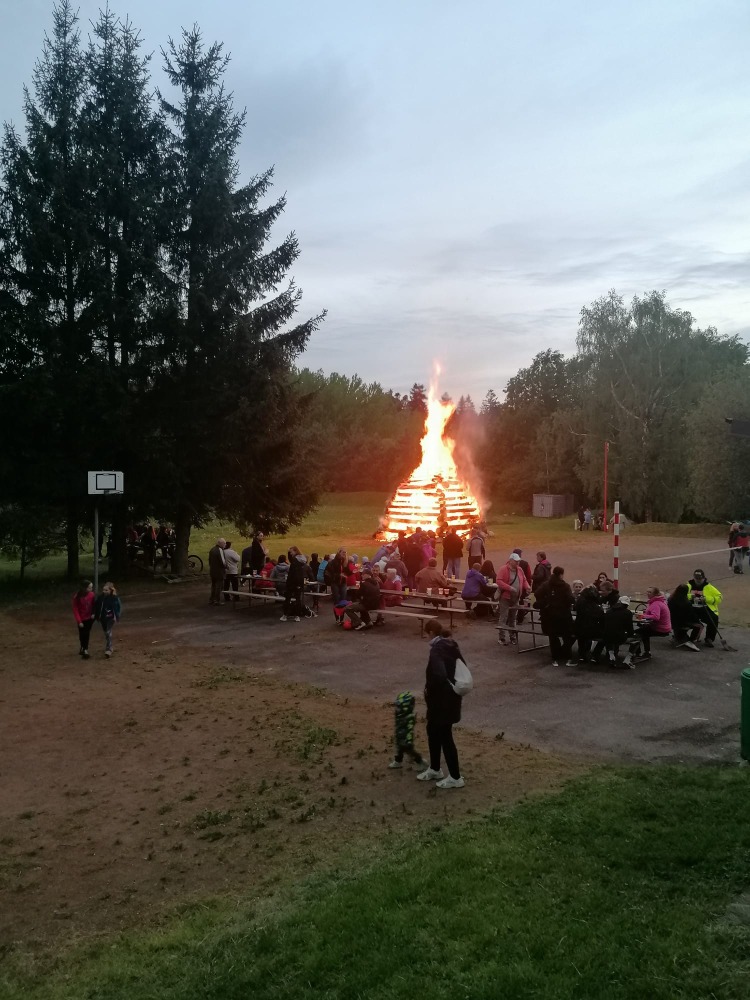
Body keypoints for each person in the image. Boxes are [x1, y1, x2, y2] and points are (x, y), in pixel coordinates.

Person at [417, 619, 465, 789]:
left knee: (444, 735)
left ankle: (455, 777)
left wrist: (429, 690)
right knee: (433, 730)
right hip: (452, 698)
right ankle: (435, 768)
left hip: (441, 701)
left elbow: (439, 674)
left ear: (430, 633)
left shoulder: (437, 649)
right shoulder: (451, 645)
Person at [534, 566, 576, 666]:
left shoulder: (546, 584)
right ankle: (568, 658)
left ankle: (555, 659)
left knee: (553, 637)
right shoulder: (565, 586)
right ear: (561, 574)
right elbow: (571, 599)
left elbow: (537, 593)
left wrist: (546, 600)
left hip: (550, 615)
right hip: (564, 615)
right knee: (567, 636)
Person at [496, 553, 531, 645]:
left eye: (518, 561)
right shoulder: (503, 569)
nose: (518, 563)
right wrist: (509, 588)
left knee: (513, 618)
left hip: (516, 598)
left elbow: (524, 580)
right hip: (505, 597)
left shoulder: (520, 569)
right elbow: (498, 581)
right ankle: (502, 638)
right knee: (503, 617)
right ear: (511, 561)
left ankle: (513, 637)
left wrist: (527, 587)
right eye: (516, 561)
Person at [592, 595, 635, 666]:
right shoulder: (628, 613)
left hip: (606, 636)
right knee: (637, 639)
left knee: (609, 636)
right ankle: (627, 659)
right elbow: (630, 629)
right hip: (620, 637)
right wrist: (630, 634)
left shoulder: (609, 611)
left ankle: (610, 656)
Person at [631, 586, 672, 661]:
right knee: (643, 630)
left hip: (660, 628)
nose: (647, 593)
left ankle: (637, 653)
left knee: (637, 633)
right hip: (665, 626)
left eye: (650, 592)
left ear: (655, 594)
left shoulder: (656, 603)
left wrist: (642, 616)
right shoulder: (660, 601)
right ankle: (645, 652)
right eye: (647, 591)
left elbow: (656, 617)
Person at [388, 692, 426, 769]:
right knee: (399, 749)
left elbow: (410, 729)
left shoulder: (409, 717)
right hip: (399, 736)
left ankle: (420, 761)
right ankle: (398, 761)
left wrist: (408, 741)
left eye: (399, 706)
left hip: (406, 739)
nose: (397, 708)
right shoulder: (399, 714)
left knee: (410, 752)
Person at [687, 570, 722, 647]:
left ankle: (709, 638)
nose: (698, 580)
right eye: (696, 578)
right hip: (691, 609)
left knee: (713, 618)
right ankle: (681, 636)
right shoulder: (688, 586)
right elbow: (680, 595)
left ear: (703, 578)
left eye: (700, 578)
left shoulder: (709, 587)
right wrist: (690, 597)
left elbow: (719, 597)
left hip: (705, 609)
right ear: (694, 578)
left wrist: (706, 599)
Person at [573, 585, 604, 663]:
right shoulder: (597, 608)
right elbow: (601, 620)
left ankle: (582, 654)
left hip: (578, 629)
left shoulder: (579, 603)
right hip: (591, 631)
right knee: (605, 635)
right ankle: (595, 655)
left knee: (581, 634)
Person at [668, 584, 703, 651]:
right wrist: (697, 620)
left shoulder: (671, 599)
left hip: (672, 620)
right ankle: (692, 640)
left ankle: (679, 636)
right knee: (700, 626)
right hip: (682, 622)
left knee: (682, 626)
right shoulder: (686, 603)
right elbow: (691, 615)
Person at [280, 547, 311, 622]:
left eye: (291, 552)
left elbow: (294, 573)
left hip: (292, 582)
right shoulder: (301, 561)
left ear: (295, 551)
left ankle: (285, 615)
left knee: (288, 599)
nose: (290, 554)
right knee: (298, 599)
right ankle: (297, 615)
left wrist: (290, 582)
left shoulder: (295, 561)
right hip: (299, 582)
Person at [94, 581, 121, 658]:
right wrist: (95, 615)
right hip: (103, 618)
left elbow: (118, 607)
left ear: (111, 590)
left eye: (106, 590)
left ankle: (108, 649)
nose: (104, 591)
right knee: (106, 633)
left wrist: (117, 616)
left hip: (111, 618)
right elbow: (96, 606)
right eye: (103, 590)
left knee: (108, 632)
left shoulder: (114, 598)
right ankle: (110, 646)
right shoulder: (100, 598)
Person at [72, 579, 96, 659]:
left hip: (89, 618)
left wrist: (93, 613)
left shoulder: (92, 595)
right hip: (82, 619)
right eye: (89, 587)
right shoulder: (77, 597)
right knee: (82, 634)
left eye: (91, 587)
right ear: (84, 588)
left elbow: (94, 605)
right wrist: (79, 621)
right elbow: (75, 609)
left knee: (86, 633)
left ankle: (85, 649)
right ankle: (83, 647)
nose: (91, 589)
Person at [208, 538, 226, 605]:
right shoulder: (220, 550)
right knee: (219, 586)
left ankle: (211, 599)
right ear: (221, 543)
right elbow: (223, 561)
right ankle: (217, 600)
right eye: (224, 543)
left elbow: (209, 560)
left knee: (213, 585)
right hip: (219, 571)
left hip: (212, 570)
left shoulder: (212, 549)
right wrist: (226, 566)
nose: (225, 545)